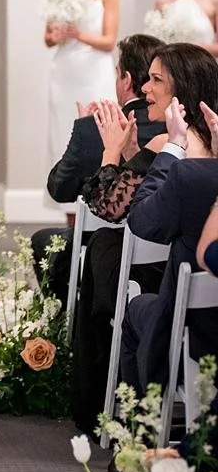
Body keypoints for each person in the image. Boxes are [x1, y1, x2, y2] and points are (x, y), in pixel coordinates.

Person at [34, 32, 164, 301]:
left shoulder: (94, 126)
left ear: (126, 79)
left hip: (104, 244)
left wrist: (81, 129)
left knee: (42, 240)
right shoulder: (179, 128)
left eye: (117, 73)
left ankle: (63, 319)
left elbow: (59, 189)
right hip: (163, 250)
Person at [119, 46, 218, 393]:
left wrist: (174, 146)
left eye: (156, 80)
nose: (145, 88)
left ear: (184, 92)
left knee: (134, 309)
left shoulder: (184, 169)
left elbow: (141, 222)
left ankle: (138, 426)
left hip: (192, 325)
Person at [44, 0, 118, 172]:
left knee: (96, 134)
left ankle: (97, 204)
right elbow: (48, 38)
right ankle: (66, 205)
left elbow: (109, 41)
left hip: (95, 72)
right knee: (62, 134)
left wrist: (78, 34)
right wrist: (57, 35)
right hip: (64, 71)